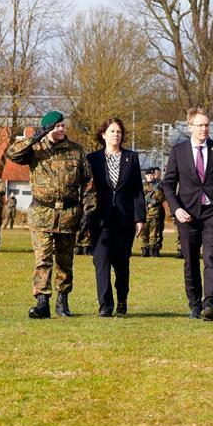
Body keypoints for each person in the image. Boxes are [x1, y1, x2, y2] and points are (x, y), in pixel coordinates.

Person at [6, 111, 96, 318]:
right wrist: (36, 136)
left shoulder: (76, 151)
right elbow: (12, 154)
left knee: (65, 261)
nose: (61, 129)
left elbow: (88, 184)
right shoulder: (35, 149)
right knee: (43, 259)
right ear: (47, 129)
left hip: (68, 214)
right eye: (57, 126)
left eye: (63, 125)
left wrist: (88, 211)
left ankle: (62, 301)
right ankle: (42, 302)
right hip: (42, 213)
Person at [163, 107, 213, 321]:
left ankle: (210, 304)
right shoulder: (178, 151)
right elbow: (168, 184)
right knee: (190, 260)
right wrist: (176, 209)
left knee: (211, 257)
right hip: (187, 214)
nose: (204, 129)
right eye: (200, 125)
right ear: (190, 127)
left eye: (207, 125)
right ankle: (194, 304)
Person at [86, 117, 146, 317]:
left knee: (121, 263)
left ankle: (121, 299)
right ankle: (105, 305)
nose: (116, 135)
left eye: (119, 131)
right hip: (99, 219)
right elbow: (86, 189)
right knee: (101, 262)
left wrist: (140, 218)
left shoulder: (131, 158)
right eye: (112, 131)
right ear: (103, 134)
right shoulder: (92, 159)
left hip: (124, 219)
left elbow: (137, 190)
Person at [142, 167, 166, 257]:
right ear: (145, 176)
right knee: (144, 233)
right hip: (144, 213)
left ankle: (154, 250)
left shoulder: (158, 185)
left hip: (155, 213)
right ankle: (145, 250)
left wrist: (155, 192)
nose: (150, 176)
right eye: (148, 175)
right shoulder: (142, 186)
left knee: (155, 234)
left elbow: (161, 197)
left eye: (151, 175)